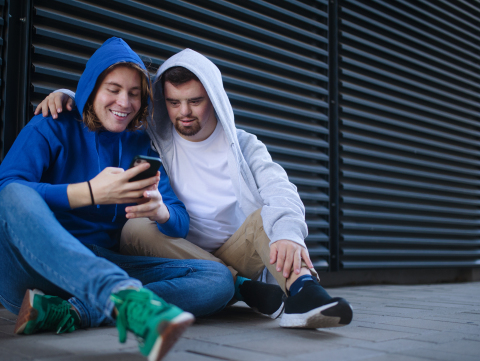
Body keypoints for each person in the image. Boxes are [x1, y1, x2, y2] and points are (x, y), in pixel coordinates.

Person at [38, 49, 353, 329]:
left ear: (214, 98)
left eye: (195, 101)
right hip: (178, 257)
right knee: (135, 228)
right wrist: (70, 96)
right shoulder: (155, 137)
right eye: (174, 102)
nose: (183, 112)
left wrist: (288, 233)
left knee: (269, 218)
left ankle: (303, 291)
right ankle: (239, 286)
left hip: (235, 251)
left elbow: (280, 188)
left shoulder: (245, 145)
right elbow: (116, 106)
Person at [0, 38, 234, 361]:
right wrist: (90, 193)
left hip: (101, 261)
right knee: (16, 192)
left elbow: (180, 219)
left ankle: (78, 311)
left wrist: (161, 210)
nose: (124, 102)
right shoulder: (53, 123)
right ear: (91, 88)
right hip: (31, 271)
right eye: (113, 89)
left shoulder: (140, 142)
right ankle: (121, 299)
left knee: (218, 280)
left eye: (134, 93)